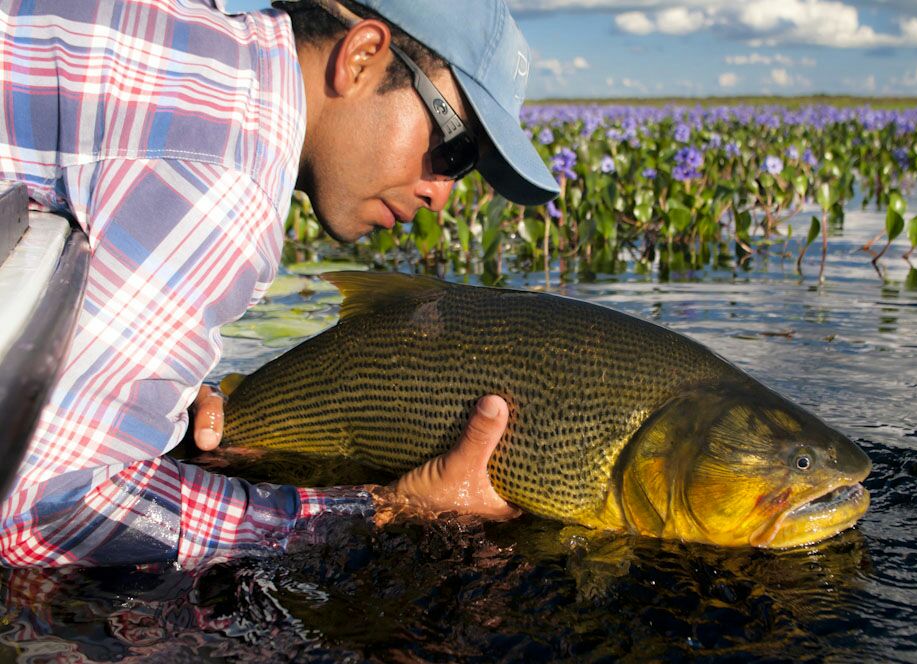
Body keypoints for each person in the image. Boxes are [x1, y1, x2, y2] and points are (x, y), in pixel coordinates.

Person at [0, 0, 558, 568]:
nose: (442, 193)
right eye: (455, 150)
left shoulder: (179, 35)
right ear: (361, 57)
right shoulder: (226, 180)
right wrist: (381, 508)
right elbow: (40, 509)